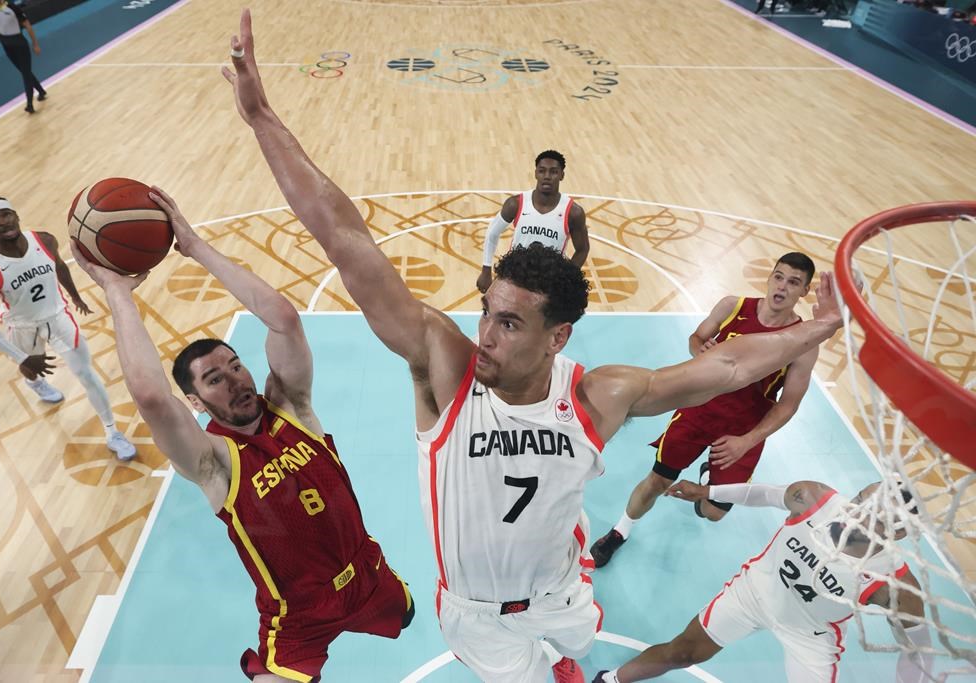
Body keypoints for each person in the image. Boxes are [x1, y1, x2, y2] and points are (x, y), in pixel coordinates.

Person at [220, 10, 843, 681]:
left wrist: (820, 328)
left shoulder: (596, 393)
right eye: (488, 313)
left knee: (574, 647)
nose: (485, 333)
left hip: (561, 591)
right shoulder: (447, 367)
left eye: (511, 323)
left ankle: (566, 658)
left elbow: (727, 364)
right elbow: (346, 239)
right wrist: (261, 120)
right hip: (477, 612)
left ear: (559, 337)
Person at [69, 187, 414, 682]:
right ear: (194, 401)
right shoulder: (213, 460)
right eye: (214, 379)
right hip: (299, 618)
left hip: (368, 574)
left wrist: (194, 244)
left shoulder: (293, 406)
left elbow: (283, 318)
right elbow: (149, 396)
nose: (235, 381)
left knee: (408, 615)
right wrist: (118, 294)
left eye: (235, 366)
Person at [589, 253, 818, 567]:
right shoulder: (733, 307)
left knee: (712, 513)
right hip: (700, 409)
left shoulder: (802, 342)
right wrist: (699, 350)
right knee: (657, 481)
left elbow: (789, 404)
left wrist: (747, 441)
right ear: (769, 277)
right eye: (778, 276)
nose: (782, 287)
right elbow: (696, 337)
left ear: (804, 291)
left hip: (743, 429)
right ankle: (619, 531)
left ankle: (707, 479)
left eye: (794, 283)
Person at [592, 478, 933, 683]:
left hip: (809, 635)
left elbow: (917, 647)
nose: (855, 512)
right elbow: (764, 493)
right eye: (860, 499)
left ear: (899, 532)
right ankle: (611, 679)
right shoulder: (816, 499)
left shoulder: (893, 584)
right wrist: (707, 490)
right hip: (754, 593)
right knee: (681, 652)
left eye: (871, 514)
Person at [0, 195, 136, 461]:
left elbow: (59, 267)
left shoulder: (44, 240)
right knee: (31, 369)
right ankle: (35, 383)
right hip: (21, 327)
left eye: (6, 214)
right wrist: (23, 358)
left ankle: (113, 433)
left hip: (58, 318)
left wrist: (76, 296)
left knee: (87, 374)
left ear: (16, 214)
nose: (2, 221)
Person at [475, 150, 589, 293]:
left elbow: (582, 249)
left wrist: (566, 277)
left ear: (562, 175)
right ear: (536, 173)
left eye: (553, 172)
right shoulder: (515, 204)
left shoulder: (573, 212)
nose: (547, 176)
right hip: (514, 279)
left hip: (548, 284)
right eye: (542, 171)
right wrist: (486, 270)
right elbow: (492, 232)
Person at [0, 0, 47, 114]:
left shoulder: (12, 7)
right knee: (24, 71)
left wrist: (35, 44)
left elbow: (27, 25)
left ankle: (29, 104)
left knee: (26, 74)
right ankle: (41, 91)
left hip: (19, 43)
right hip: (6, 44)